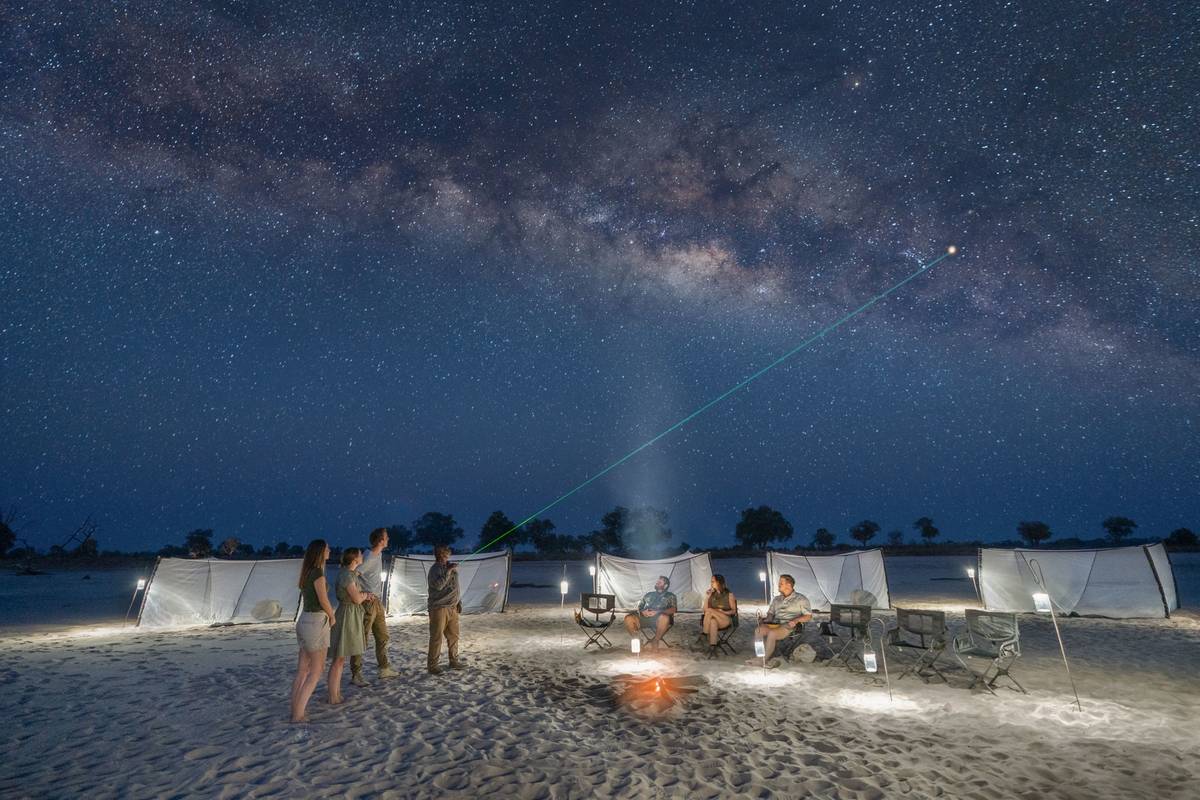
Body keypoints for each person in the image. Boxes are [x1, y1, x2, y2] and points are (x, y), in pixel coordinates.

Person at [290, 539, 335, 723]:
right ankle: (298, 714)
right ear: (320, 552)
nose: (330, 551)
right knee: (316, 671)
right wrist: (332, 616)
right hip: (316, 622)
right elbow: (323, 600)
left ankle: (295, 708)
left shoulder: (306, 572)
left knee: (302, 671)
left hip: (304, 620)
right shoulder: (318, 574)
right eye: (327, 548)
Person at [327, 548, 377, 704]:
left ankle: (335, 693)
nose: (362, 556)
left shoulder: (349, 574)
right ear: (355, 558)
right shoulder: (346, 575)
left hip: (351, 613)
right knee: (339, 657)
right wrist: (366, 595)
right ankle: (333, 695)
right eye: (360, 555)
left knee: (341, 658)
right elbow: (355, 598)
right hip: (347, 615)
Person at [351, 527, 398, 685]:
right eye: (386, 537)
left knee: (382, 636)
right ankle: (356, 673)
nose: (388, 539)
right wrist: (361, 595)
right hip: (368, 602)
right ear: (380, 541)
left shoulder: (378, 555)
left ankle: (384, 668)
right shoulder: (369, 557)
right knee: (362, 638)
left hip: (377, 601)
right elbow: (353, 574)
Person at [748, 574, 812, 668]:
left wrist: (796, 620)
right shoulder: (777, 599)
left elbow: (808, 616)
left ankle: (763, 660)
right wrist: (764, 620)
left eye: (781, 583)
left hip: (789, 625)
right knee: (758, 630)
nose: (778, 585)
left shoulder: (801, 599)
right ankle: (760, 656)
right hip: (775, 624)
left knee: (772, 634)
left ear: (789, 585)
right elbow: (770, 614)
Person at [427, 544, 466, 675]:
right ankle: (433, 666)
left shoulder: (450, 567)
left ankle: (453, 660)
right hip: (439, 608)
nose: (448, 556)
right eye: (445, 554)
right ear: (440, 555)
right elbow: (438, 586)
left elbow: (455, 586)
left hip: (452, 607)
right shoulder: (435, 569)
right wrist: (448, 571)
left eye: (448, 554)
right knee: (436, 637)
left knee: (454, 636)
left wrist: (458, 601)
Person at [623, 575, 677, 650]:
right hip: (644, 617)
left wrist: (658, 612)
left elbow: (673, 609)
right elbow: (640, 606)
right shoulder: (649, 594)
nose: (657, 583)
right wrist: (642, 611)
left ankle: (655, 641)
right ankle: (638, 641)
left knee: (664, 618)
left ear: (665, 586)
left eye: (660, 582)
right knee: (628, 618)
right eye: (657, 581)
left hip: (659, 619)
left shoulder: (670, 596)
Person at [699, 574, 738, 657]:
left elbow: (734, 611)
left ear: (719, 583)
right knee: (713, 622)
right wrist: (707, 596)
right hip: (715, 619)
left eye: (713, 581)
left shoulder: (729, 594)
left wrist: (722, 612)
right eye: (711, 581)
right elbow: (705, 610)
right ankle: (713, 647)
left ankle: (704, 634)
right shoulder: (712, 594)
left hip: (725, 619)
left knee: (710, 611)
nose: (711, 583)